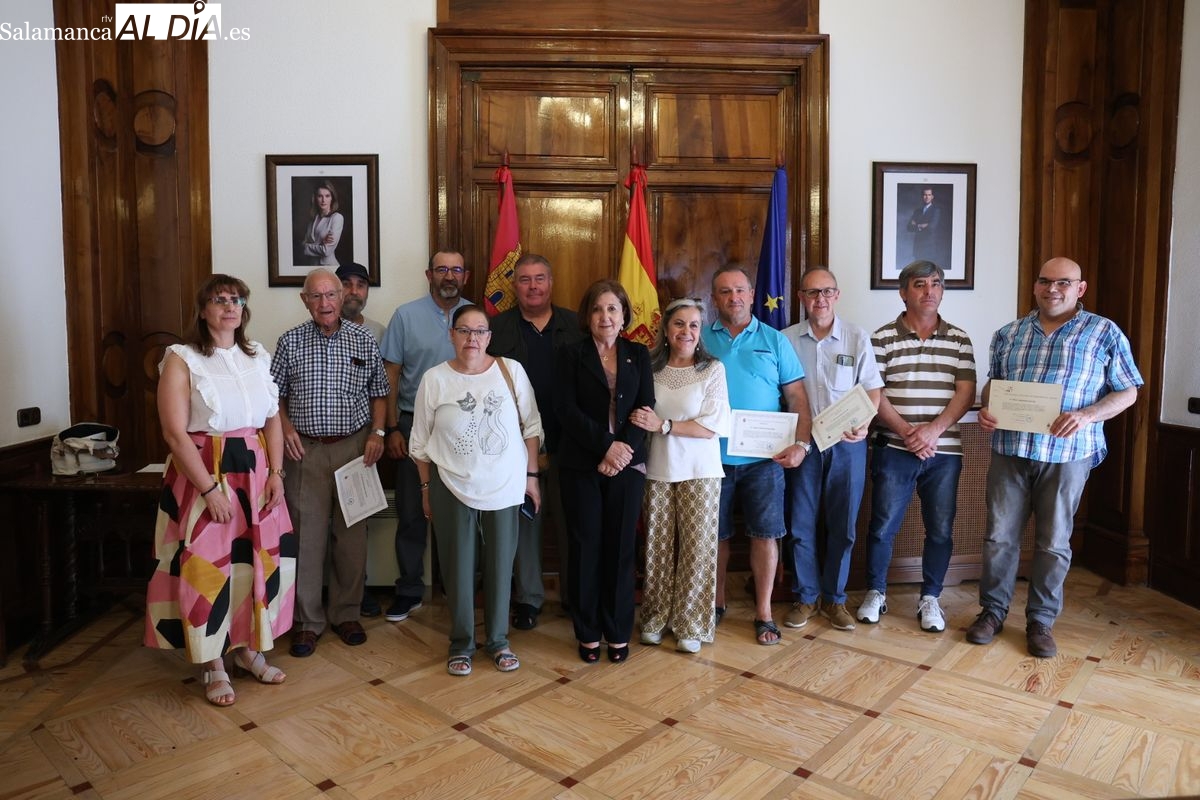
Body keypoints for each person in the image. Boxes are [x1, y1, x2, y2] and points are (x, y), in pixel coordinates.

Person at [968, 257, 1142, 658]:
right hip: (1011, 450)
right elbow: (994, 386)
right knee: (998, 538)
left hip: (1068, 455)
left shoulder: (1104, 333)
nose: (1053, 289)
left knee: (1053, 543)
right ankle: (992, 613)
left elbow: (1128, 390)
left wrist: (1087, 415)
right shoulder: (1008, 334)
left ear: (1080, 288)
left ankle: (1041, 621)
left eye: (1064, 283)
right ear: (1035, 286)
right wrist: (988, 408)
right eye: (1045, 281)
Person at [145, 274, 295, 707]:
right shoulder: (182, 358)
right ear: (203, 309)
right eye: (220, 300)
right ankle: (213, 663)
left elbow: (271, 418)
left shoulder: (256, 355)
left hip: (256, 471)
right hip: (205, 473)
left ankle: (248, 650)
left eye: (237, 299)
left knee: (254, 564)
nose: (230, 306)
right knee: (208, 569)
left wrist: (277, 473)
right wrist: (209, 488)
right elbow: (174, 433)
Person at [409, 305, 544, 676]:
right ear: (451, 335)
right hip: (450, 485)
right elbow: (419, 443)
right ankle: (462, 642)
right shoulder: (434, 379)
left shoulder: (511, 370)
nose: (472, 339)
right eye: (464, 331)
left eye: (480, 331)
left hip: (505, 485)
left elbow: (531, 427)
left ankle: (499, 641)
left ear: (489, 336)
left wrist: (531, 478)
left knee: (502, 564)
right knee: (458, 568)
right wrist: (425, 488)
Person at [272, 268, 389, 658]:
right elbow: (275, 397)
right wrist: (285, 428)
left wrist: (378, 434)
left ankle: (347, 613)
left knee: (352, 536)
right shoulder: (289, 342)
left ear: (342, 297)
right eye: (316, 296)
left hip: (355, 449)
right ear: (305, 300)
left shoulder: (363, 340)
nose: (325, 303)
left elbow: (379, 393)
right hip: (304, 451)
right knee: (306, 538)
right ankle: (308, 622)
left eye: (331, 295)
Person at [858, 260, 976, 633]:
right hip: (893, 447)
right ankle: (876, 591)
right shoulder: (879, 339)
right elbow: (873, 394)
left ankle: (930, 598)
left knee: (940, 528)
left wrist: (932, 432)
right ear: (904, 292)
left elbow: (966, 392)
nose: (929, 291)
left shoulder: (959, 339)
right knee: (881, 527)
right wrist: (909, 432)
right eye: (920, 284)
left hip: (944, 452)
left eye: (936, 284)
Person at [702, 265, 812, 646]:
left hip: (765, 460)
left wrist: (801, 444)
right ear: (713, 299)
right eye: (724, 292)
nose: (733, 298)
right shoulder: (697, 338)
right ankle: (715, 604)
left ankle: (764, 613)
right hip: (708, 458)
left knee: (766, 535)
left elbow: (797, 398)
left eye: (739, 290)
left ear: (752, 295)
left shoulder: (776, 340)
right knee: (714, 537)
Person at [555, 279, 654, 663]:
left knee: (621, 549)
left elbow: (645, 408)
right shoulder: (570, 353)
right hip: (582, 463)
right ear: (587, 315)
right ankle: (587, 631)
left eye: (613, 309)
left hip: (627, 466)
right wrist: (605, 447)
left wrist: (621, 452)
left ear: (625, 314)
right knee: (585, 547)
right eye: (598, 309)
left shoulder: (638, 354)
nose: (605, 316)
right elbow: (565, 410)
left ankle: (617, 632)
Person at [780, 269, 883, 630]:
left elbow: (872, 389)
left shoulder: (855, 336)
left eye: (826, 292)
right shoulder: (786, 339)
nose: (819, 299)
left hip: (846, 445)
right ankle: (806, 597)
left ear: (837, 295)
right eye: (812, 293)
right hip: (803, 444)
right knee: (801, 525)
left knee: (844, 525)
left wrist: (866, 423)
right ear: (800, 297)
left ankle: (835, 600)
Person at [486, 253, 583, 629]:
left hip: (570, 442)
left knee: (573, 522)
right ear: (514, 286)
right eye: (524, 280)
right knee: (525, 524)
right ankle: (528, 599)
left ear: (551, 282)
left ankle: (575, 596)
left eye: (539, 278)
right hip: (514, 446)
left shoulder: (576, 324)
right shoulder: (498, 328)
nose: (532, 286)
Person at [630, 297, 730, 653]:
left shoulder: (711, 369)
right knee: (656, 548)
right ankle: (655, 619)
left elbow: (714, 425)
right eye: (679, 324)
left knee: (697, 550)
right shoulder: (650, 368)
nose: (686, 331)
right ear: (666, 329)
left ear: (699, 332)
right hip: (657, 469)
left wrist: (665, 425)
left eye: (693, 325)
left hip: (700, 472)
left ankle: (690, 624)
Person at [380, 250, 472, 623]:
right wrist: (389, 429)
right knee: (412, 513)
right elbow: (392, 374)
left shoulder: (475, 316)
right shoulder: (406, 315)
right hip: (412, 425)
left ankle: (461, 590)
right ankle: (409, 590)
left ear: (464, 275)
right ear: (428, 274)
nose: (448, 276)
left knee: (463, 511)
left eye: (455, 269)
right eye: (441, 269)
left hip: (463, 428)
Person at [336, 261, 387, 618]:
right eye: (347, 284)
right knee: (322, 523)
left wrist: (381, 432)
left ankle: (359, 589)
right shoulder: (304, 334)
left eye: (361, 285)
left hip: (367, 440)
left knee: (358, 517)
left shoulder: (380, 332)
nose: (354, 291)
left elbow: (383, 389)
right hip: (319, 440)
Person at [300, 180, 344, 266]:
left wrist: (307, 247)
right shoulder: (312, 220)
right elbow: (301, 247)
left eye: (327, 196)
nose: (323, 200)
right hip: (311, 267)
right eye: (320, 196)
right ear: (315, 198)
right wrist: (320, 244)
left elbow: (326, 251)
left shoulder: (336, 218)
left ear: (332, 198)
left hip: (329, 267)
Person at [907, 187, 941, 264]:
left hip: (929, 247)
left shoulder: (936, 210)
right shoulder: (917, 211)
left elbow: (932, 227)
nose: (927, 197)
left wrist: (916, 225)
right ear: (922, 196)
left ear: (932, 197)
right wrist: (922, 225)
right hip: (918, 247)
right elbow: (909, 227)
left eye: (929, 195)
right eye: (925, 195)